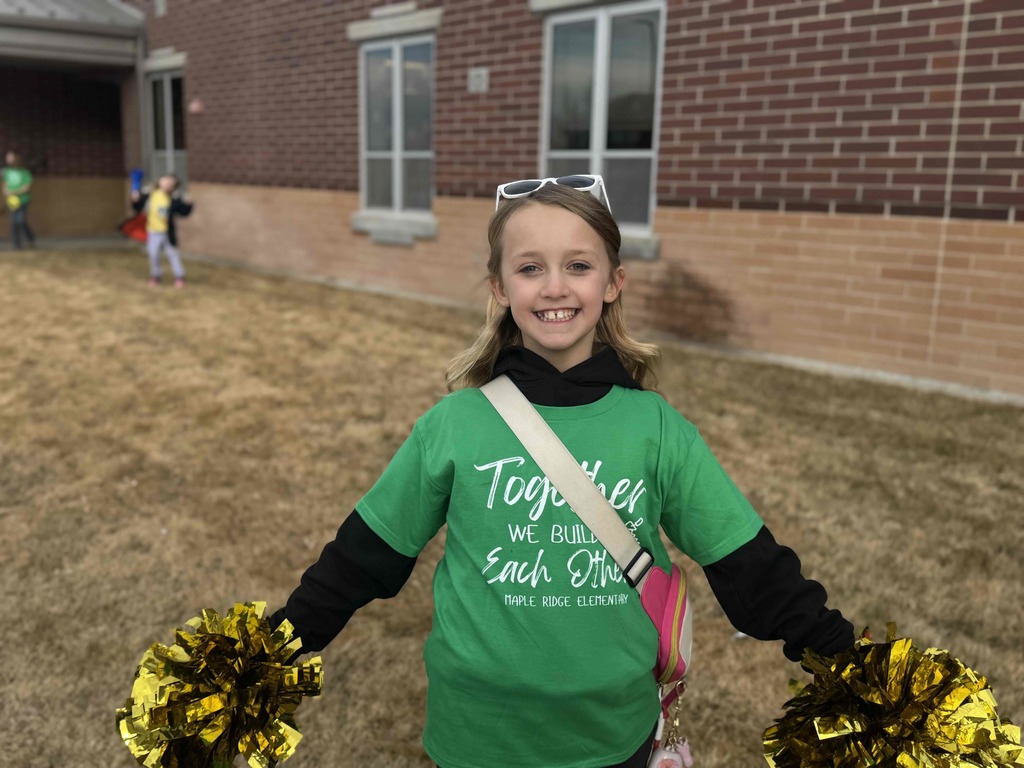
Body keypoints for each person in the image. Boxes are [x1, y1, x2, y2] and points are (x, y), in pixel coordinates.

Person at [271, 176, 854, 768]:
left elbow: (751, 567)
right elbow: (358, 560)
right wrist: (265, 656)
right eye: (530, 269)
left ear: (612, 283)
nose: (555, 287)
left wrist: (849, 663)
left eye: (578, 265)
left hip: (610, 736)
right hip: (476, 735)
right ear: (499, 287)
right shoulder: (453, 425)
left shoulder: (655, 427)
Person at [130, 174, 193, 288]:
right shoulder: (150, 195)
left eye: (170, 183)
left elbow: (184, 212)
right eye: (165, 181)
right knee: (153, 254)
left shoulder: (173, 199)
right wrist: (135, 200)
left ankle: (179, 276)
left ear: (173, 187)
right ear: (159, 181)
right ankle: (156, 276)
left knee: (172, 254)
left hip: (167, 232)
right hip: (153, 231)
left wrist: (189, 204)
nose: (167, 184)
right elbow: (137, 207)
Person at [2, 150, 35, 249]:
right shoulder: (7, 171)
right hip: (12, 201)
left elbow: (26, 187)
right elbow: (5, 184)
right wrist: (5, 191)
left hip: (23, 200)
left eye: (10, 157)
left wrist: (14, 192)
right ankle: (17, 244)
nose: (8, 159)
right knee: (14, 222)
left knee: (20, 221)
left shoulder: (25, 172)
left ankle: (30, 237)